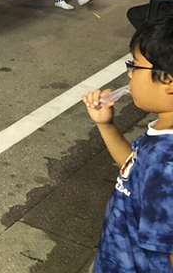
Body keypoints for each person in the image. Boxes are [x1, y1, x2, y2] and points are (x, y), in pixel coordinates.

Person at [82, 15, 173, 271]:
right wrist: (106, 125)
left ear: (168, 80)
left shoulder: (167, 165)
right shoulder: (163, 135)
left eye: (135, 66)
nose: (130, 75)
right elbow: (133, 168)